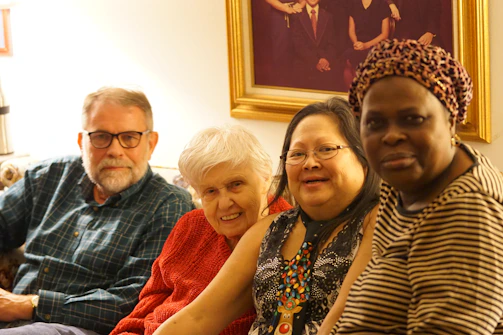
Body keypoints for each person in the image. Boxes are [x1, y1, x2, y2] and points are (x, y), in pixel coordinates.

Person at [151, 96, 381, 335]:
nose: (309, 163)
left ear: (365, 156)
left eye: (326, 149)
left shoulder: (381, 220)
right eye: (297, 154)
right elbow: (200, 316)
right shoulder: (269, 231)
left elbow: (346, 320)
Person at [332, 39, 503, 334]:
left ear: (451, 121)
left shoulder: (470, 211)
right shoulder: (401, 184)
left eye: (413, 119)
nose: (392, 136)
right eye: (375, 123)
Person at [0, 87, 194, 334]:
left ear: (151, 143)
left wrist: (28, 305)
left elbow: (131, 301)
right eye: (101, 136)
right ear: (82, 142)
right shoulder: (48, 177)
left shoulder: (168, 206)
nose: (115, 150)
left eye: (129, 137)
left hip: (78, 327)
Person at [110, 125, 292, 335]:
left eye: (235, 184)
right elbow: (153, 298)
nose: (224, 203)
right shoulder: (191, 226)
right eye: (210, 191)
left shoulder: (287, 236)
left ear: (265, 179)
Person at [290, 0, 343, 91]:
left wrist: (325, 59)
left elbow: (332, 43)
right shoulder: (296, 16)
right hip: (305, 61)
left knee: (335, 74)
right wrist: (315, 61)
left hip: (325, 61)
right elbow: (298, 45)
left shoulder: (328, 16)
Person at [342, 0, 390, 88]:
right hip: (357, 44)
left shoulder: (382, 4)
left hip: (375, 45)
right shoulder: (354, 4)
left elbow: (384, 34)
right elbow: (351, 30)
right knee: (349, 61)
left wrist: (366, 45)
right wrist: (356, 43)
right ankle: (351, 96)